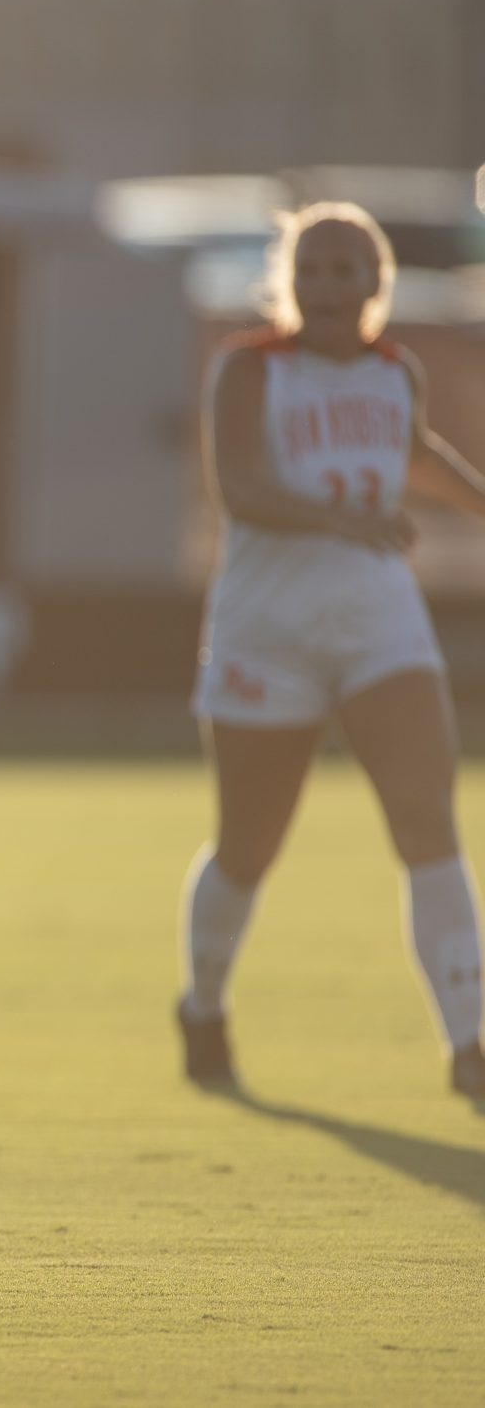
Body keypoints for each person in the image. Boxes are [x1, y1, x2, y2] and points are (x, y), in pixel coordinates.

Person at [179, 202, 485, 1097]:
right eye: (309, 269)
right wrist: (346, 518)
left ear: (376, 286)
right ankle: (203, 1004)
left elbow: (415, 450)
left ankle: (469, 1043)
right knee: (248, 845)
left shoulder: (398, 372)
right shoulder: (247, 370)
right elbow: (242, 489)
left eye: (344, 269)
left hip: (378, 623)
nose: (324, 286)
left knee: (429, 823)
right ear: (284, 282)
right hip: (266, 632)